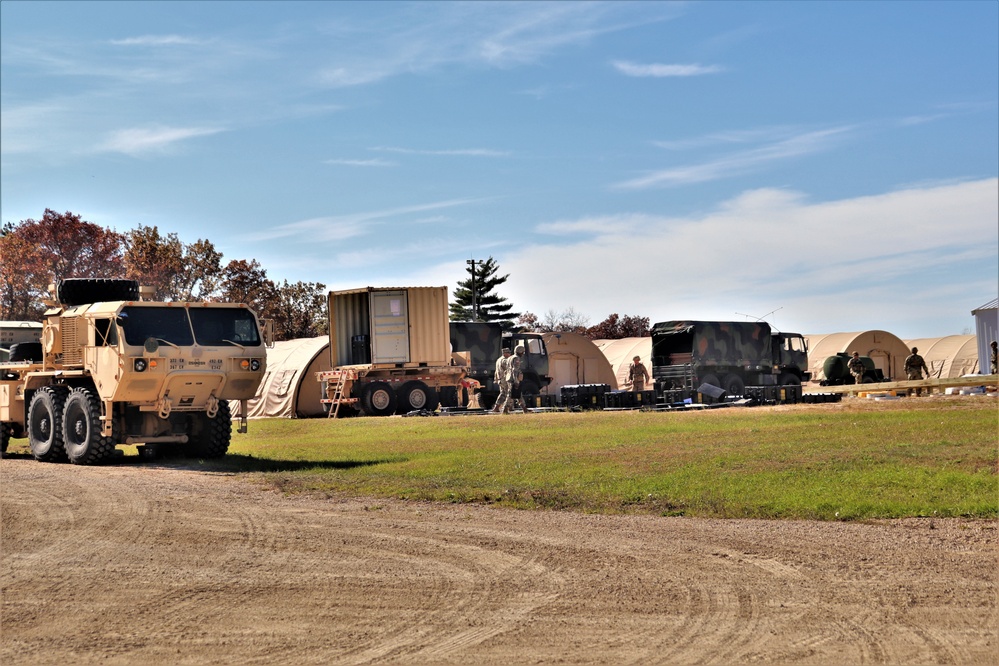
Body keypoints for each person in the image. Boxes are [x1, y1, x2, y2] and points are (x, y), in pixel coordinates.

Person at [492, 347, 515, 414]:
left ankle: (509, 406)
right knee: (506, 393)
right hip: (505, 379)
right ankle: (497, 407)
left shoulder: (499, 360)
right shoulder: (505, 360)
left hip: (500, 379)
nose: (509, 354)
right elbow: (509, 369)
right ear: (504, 353)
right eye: (508, 353)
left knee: (504, 393)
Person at [511, 344, 529, 413]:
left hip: (510, 378)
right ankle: (505, 409)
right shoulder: (516, 358)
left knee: (516, 394)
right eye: (522, 352)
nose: (523, 354)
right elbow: (515, 370)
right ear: (519, 351)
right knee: (512, 395)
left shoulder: (511, 357)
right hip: (513, 379)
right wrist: (516, 381)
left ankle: (525, 409)